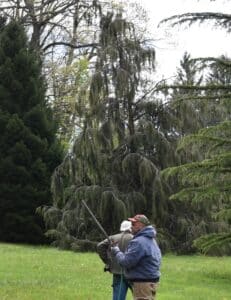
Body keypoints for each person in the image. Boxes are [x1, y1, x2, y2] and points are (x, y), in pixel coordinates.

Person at [111, 214, 161, 300]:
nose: (131, 226)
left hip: (142, 283)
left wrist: (117, 251)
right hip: (151, 281)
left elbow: (126, 262)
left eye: (134, 224)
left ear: (141, 225)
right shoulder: (151, 240)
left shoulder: (138, 242)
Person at [97, 220, 133, 300]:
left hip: (117, 272)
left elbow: (100, 246)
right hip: (132, 273)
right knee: (140, 297)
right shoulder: (135, 239)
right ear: (130, 228)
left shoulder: (113, 238)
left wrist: (107, 261)